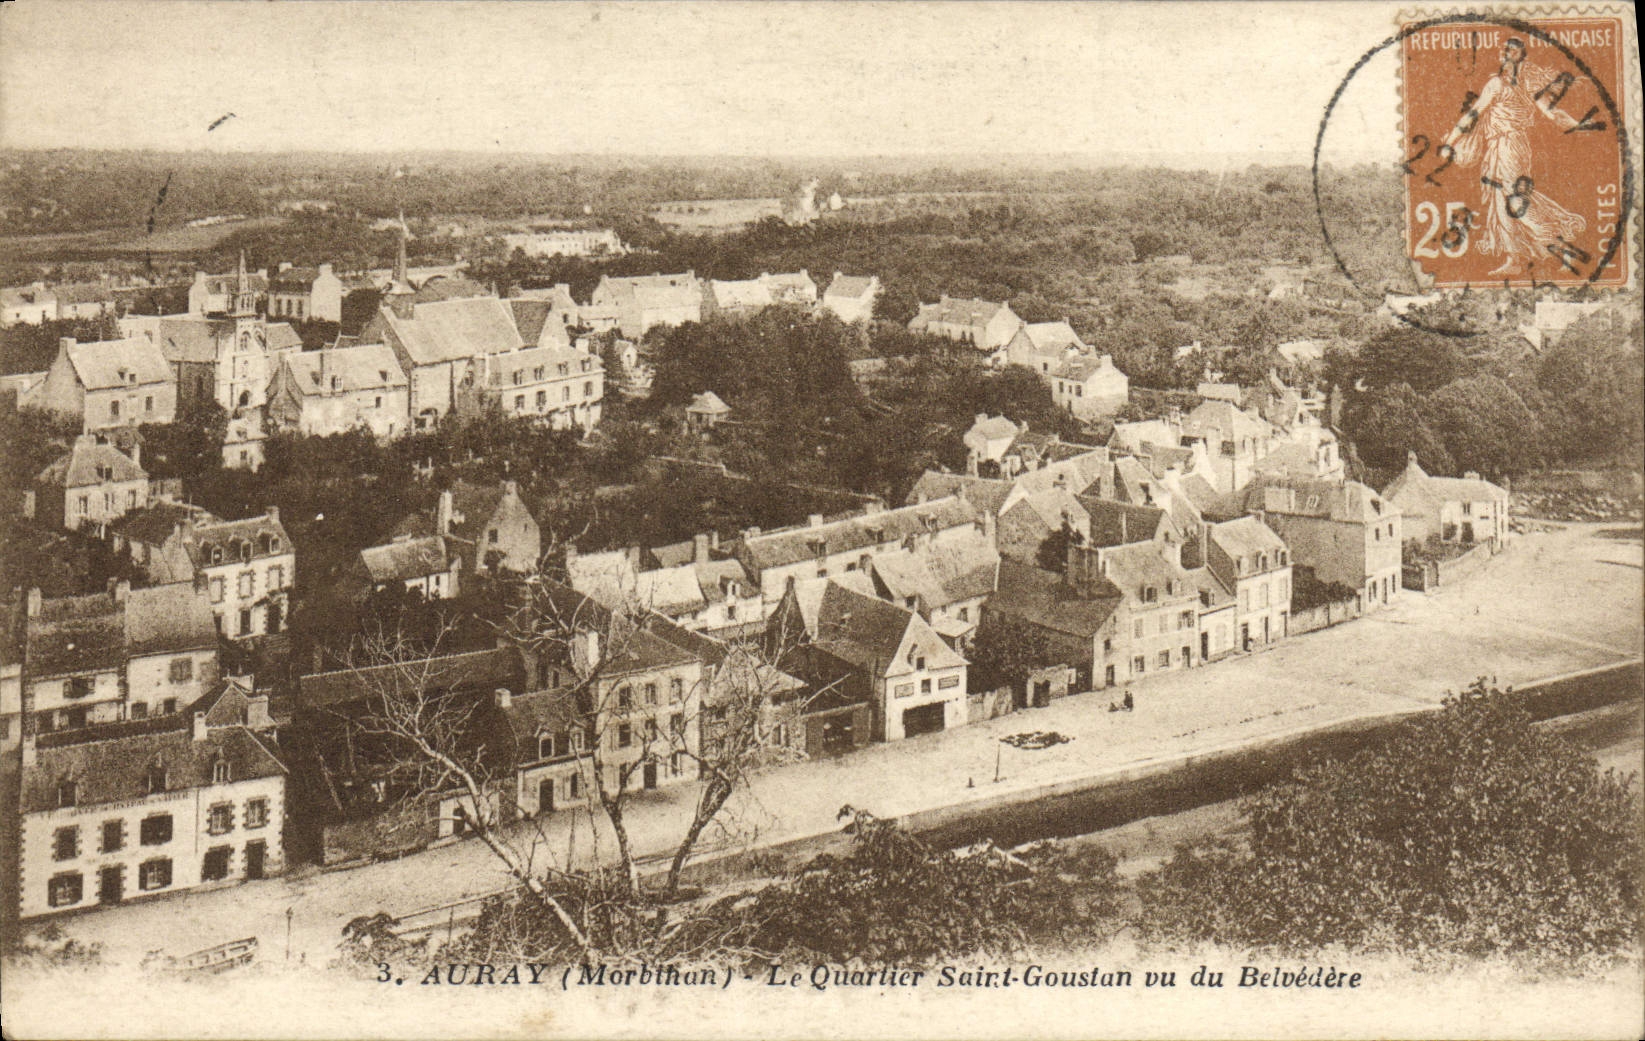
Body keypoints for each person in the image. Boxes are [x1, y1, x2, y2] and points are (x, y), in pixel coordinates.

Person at [1443, 38, 1586, 277]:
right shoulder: (1514, 86)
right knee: (1502, 202)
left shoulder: (1500, 85)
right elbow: (1551, 113)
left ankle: (1561, 245)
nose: (1504, 53)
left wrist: (1449, 142)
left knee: (1514, 200)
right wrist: (1577, 124)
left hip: (1508, 146)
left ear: (1520, 57)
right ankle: (1515, 258)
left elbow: (1473, 115)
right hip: (1504, 147)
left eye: (1510, 50)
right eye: (1505, 50)